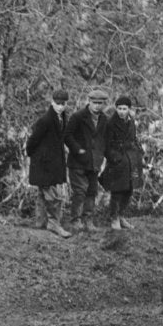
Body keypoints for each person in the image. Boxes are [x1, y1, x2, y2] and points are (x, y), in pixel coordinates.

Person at [25, 89, 72, 238]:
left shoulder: (63, 118)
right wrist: (37, 157)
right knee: (53, 195)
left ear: (66, 104)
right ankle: (53, 224)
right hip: (43, 163)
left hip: (54, 162)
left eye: (63, 104)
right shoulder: (45, 120)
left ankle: (41, 221)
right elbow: (32, 141)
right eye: (57, 103)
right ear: (52, 102)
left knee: (43, 192)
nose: (60, 106)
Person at [65, 88, 110, 232]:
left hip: (94, 162)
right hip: (78, 162)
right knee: (79, 191)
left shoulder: (104, 119)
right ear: (89, 101)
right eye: (94, 102)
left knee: (92, 191)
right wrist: (78, 149)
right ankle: (75, 221)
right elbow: (67, 136)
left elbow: (104, 140)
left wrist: (104, 156)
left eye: (100, 103)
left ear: (104, 104)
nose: (97, 105)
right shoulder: (78, 117)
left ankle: (88, 221)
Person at [101, 95, 144, 230]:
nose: (121, 111)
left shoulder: (131, 122)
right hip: (118, 162)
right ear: (116, 108)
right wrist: (115, 159)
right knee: (117, 191)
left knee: (129, 190)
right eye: (119, 108)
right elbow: (106, 146)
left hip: (131, 160)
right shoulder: (110, 123)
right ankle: (114, 218)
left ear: (129, 109)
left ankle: (121, 216)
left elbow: (134, 138)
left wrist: (139, 152)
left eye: (124, 109)